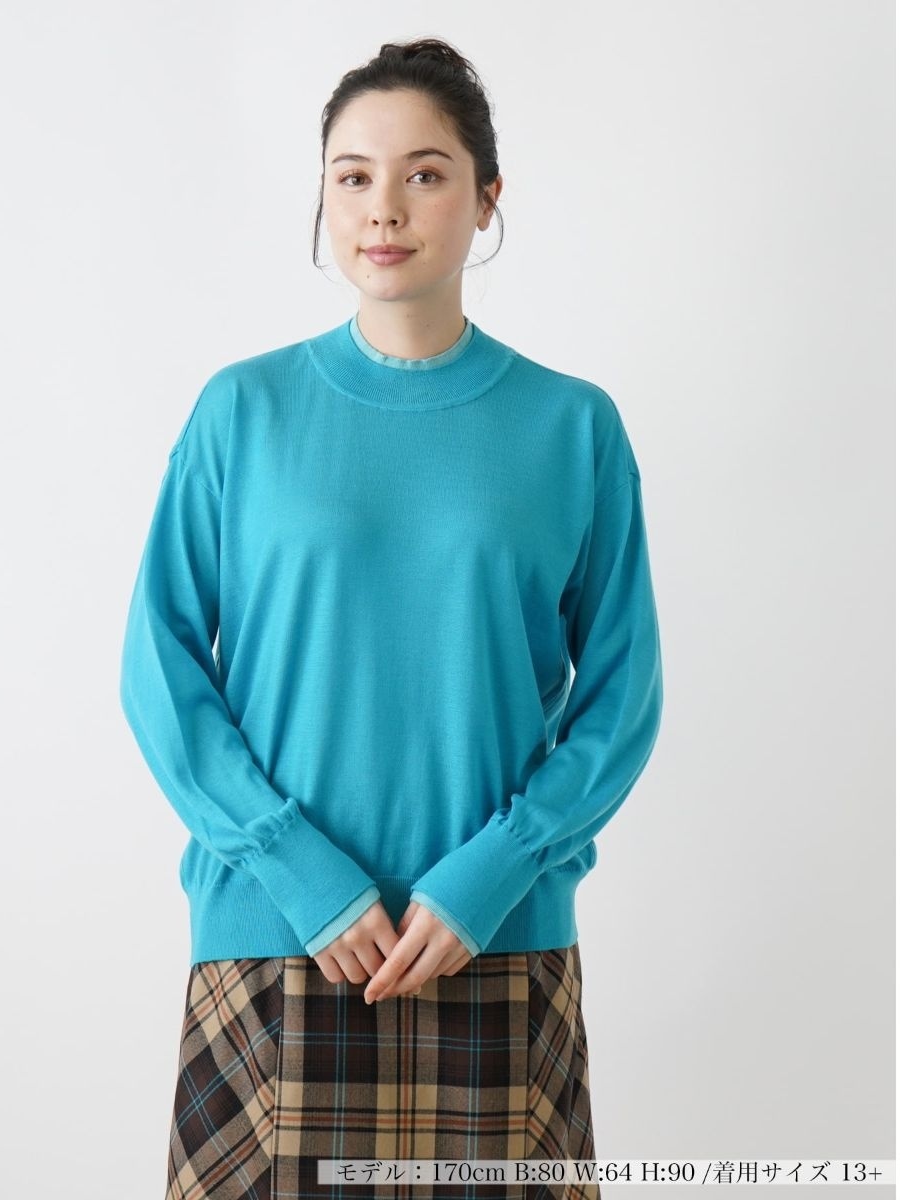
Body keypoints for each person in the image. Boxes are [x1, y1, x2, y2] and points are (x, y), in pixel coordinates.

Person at [119, 36, 664, 1200]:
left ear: (487, 198)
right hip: (275, 938)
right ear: (323, 196)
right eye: (352, 175)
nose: (384, 207)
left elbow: (623, 696)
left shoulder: (573, 428)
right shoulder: (241, 413)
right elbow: (159, 666)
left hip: (494, 939)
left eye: (425, 173)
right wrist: (293, 865)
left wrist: (494, 873)